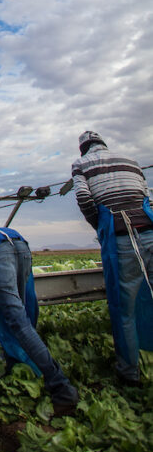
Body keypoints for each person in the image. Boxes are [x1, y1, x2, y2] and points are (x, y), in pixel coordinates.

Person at [0, 227, 78, 415]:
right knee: (22, 314)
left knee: (18, 322)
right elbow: (28, 300)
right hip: (20, 244)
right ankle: (15, 364)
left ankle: (61, 388)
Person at [72, 130, 153, 385]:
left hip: (123, 236)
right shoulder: (130, 160)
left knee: (124, 307)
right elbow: (146, 196)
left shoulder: (81, 164)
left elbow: (84, 197)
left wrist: (102, 226)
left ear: (83, 149)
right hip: (150, 231)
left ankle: (129, 374)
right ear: (104, 144)